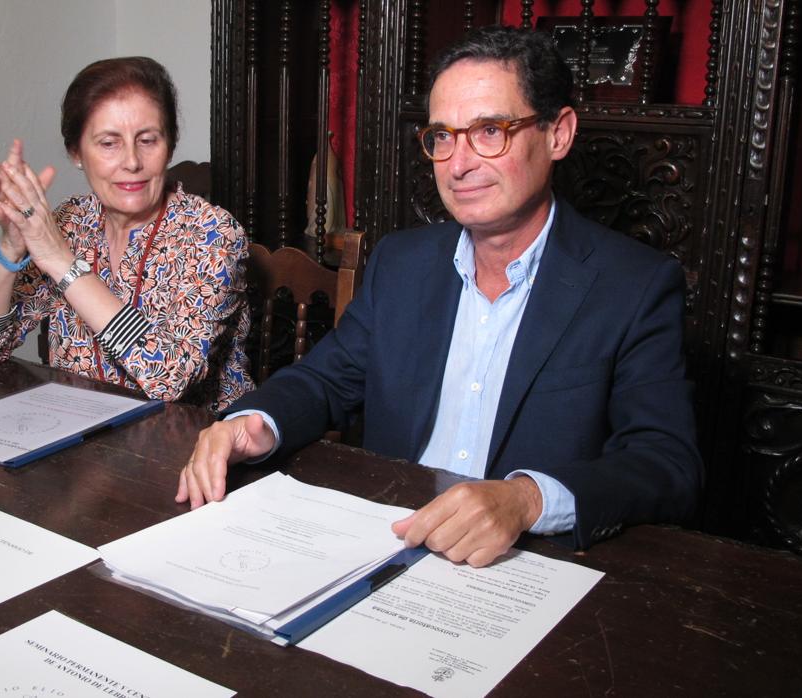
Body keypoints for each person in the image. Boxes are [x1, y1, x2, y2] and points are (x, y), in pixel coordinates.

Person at [176, 26, 701, 565]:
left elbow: (667, 463)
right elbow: (325, 380)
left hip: (526, 565)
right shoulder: (403, 263)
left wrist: (527, 500)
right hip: (387, 539)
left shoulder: (633, 286)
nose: (458, 163)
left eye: (490, 131)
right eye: (443, 136)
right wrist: (254, 424)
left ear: (558, 134)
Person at [0, 57, 253, 412]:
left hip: (194, 438)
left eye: (147, 140)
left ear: (170, 146)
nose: (132, 161)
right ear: (76, 152)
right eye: (109, 143)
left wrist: (61, 261)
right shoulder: (71, 221)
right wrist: (11, 246)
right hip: (79, 431)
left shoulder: (213, 233)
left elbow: (171, 378)